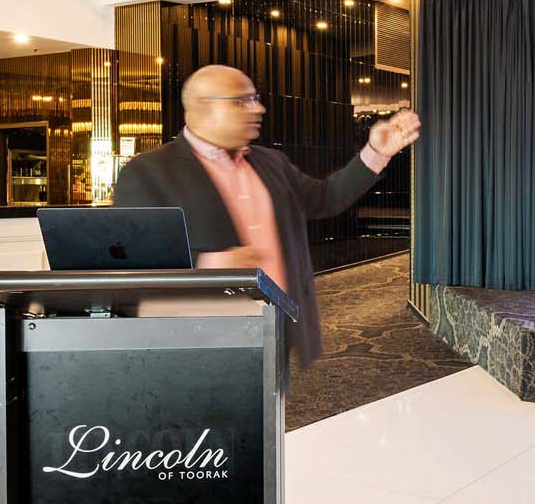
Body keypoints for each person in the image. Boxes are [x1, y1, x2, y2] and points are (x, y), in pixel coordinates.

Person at [114, 64, 420, 366]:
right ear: (204, 107)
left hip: (275, 329)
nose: (258, 108)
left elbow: (326, 199)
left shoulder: (272, 162)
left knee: (275, 399)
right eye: (243, 100)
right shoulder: (148, 173)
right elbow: (131, 262)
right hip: (200, 343)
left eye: (256, 98)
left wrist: (376, 153)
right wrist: (207, 264)